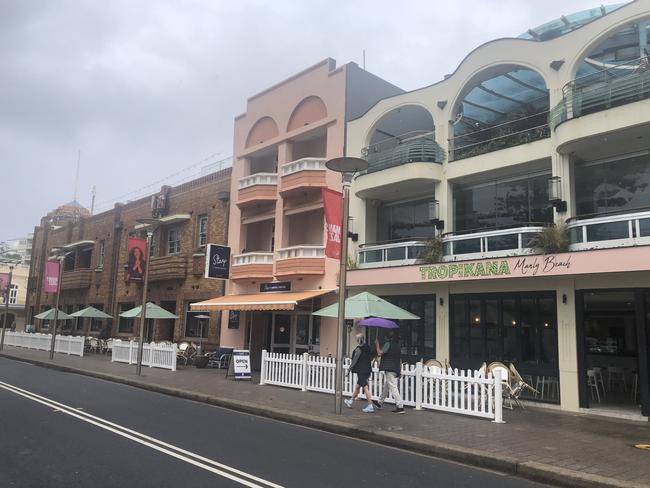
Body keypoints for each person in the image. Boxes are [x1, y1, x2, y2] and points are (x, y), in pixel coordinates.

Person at [373, 330, 405, 414]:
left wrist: (377, 345)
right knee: (386, 386)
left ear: (386, 337)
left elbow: (380, 353)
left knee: (393, 387)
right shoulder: (398, 346)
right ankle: (380, 402)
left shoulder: (387, 344)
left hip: (389, 369)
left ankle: (400, 406)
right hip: (396, 368)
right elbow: (400, 359)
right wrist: (400, 370)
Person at [344, 333, 374, 413]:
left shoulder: (358, 349)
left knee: (365, 387)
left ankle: (370, 405)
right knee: (358, 386)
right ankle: (350, 401)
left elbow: (354, 361)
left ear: (358, 340)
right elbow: (370, 357)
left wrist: (349, 370)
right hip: (367, 369)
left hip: (361, 370)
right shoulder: (367, 347)